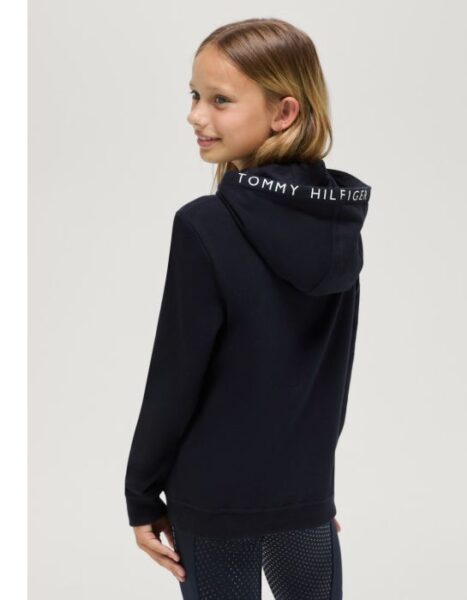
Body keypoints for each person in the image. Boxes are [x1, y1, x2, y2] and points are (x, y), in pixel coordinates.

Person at [124, 17, 371, 599]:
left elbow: (176, 375)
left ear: (283, 112)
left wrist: (141, 494)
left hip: (212, 500)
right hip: (303, 496)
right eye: (194, 95)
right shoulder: (338, 220)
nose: (195, 115)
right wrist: (312, 484)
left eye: (220, 100)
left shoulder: (205, 225)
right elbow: (334, 372)